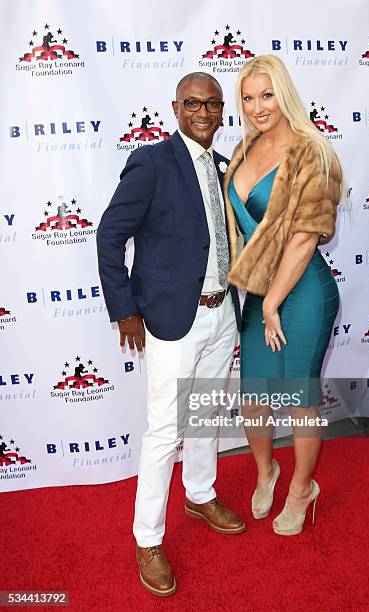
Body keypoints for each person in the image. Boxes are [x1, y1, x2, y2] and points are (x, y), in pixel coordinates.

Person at [97, 72, 245, 598]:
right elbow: (110, 234)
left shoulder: (226, 167)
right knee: (165, 430)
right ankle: (148, 539)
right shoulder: (152, 162)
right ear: (175, 108)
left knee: (204, 412)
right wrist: (125, 311)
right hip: (169, 319)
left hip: (221, 311)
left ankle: (200, 493)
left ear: (222, 109)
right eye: (193, 104)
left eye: (213, 104)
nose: (203, 112)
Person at [223, 55, 344, 535]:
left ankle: (302, 489)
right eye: (249, 98)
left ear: (284, 94)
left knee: (298, 396)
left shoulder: (313, 150)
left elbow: (304, 237)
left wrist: (273, 303)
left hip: (304, 292)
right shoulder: (242, 148)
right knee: (253, 397)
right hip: (259, 293)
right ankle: (266, 472)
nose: (258, 107)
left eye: (267, 95)